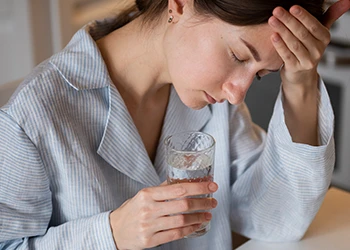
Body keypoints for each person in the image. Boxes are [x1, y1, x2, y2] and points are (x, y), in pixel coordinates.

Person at [0, 0, 349, 249]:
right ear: (180, 4)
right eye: (238, 56)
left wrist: (300, 80)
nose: (237, 93)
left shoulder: (213, 102)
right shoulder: (32, 118)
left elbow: (277, 218)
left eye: (259, 75)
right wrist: (112, 234)